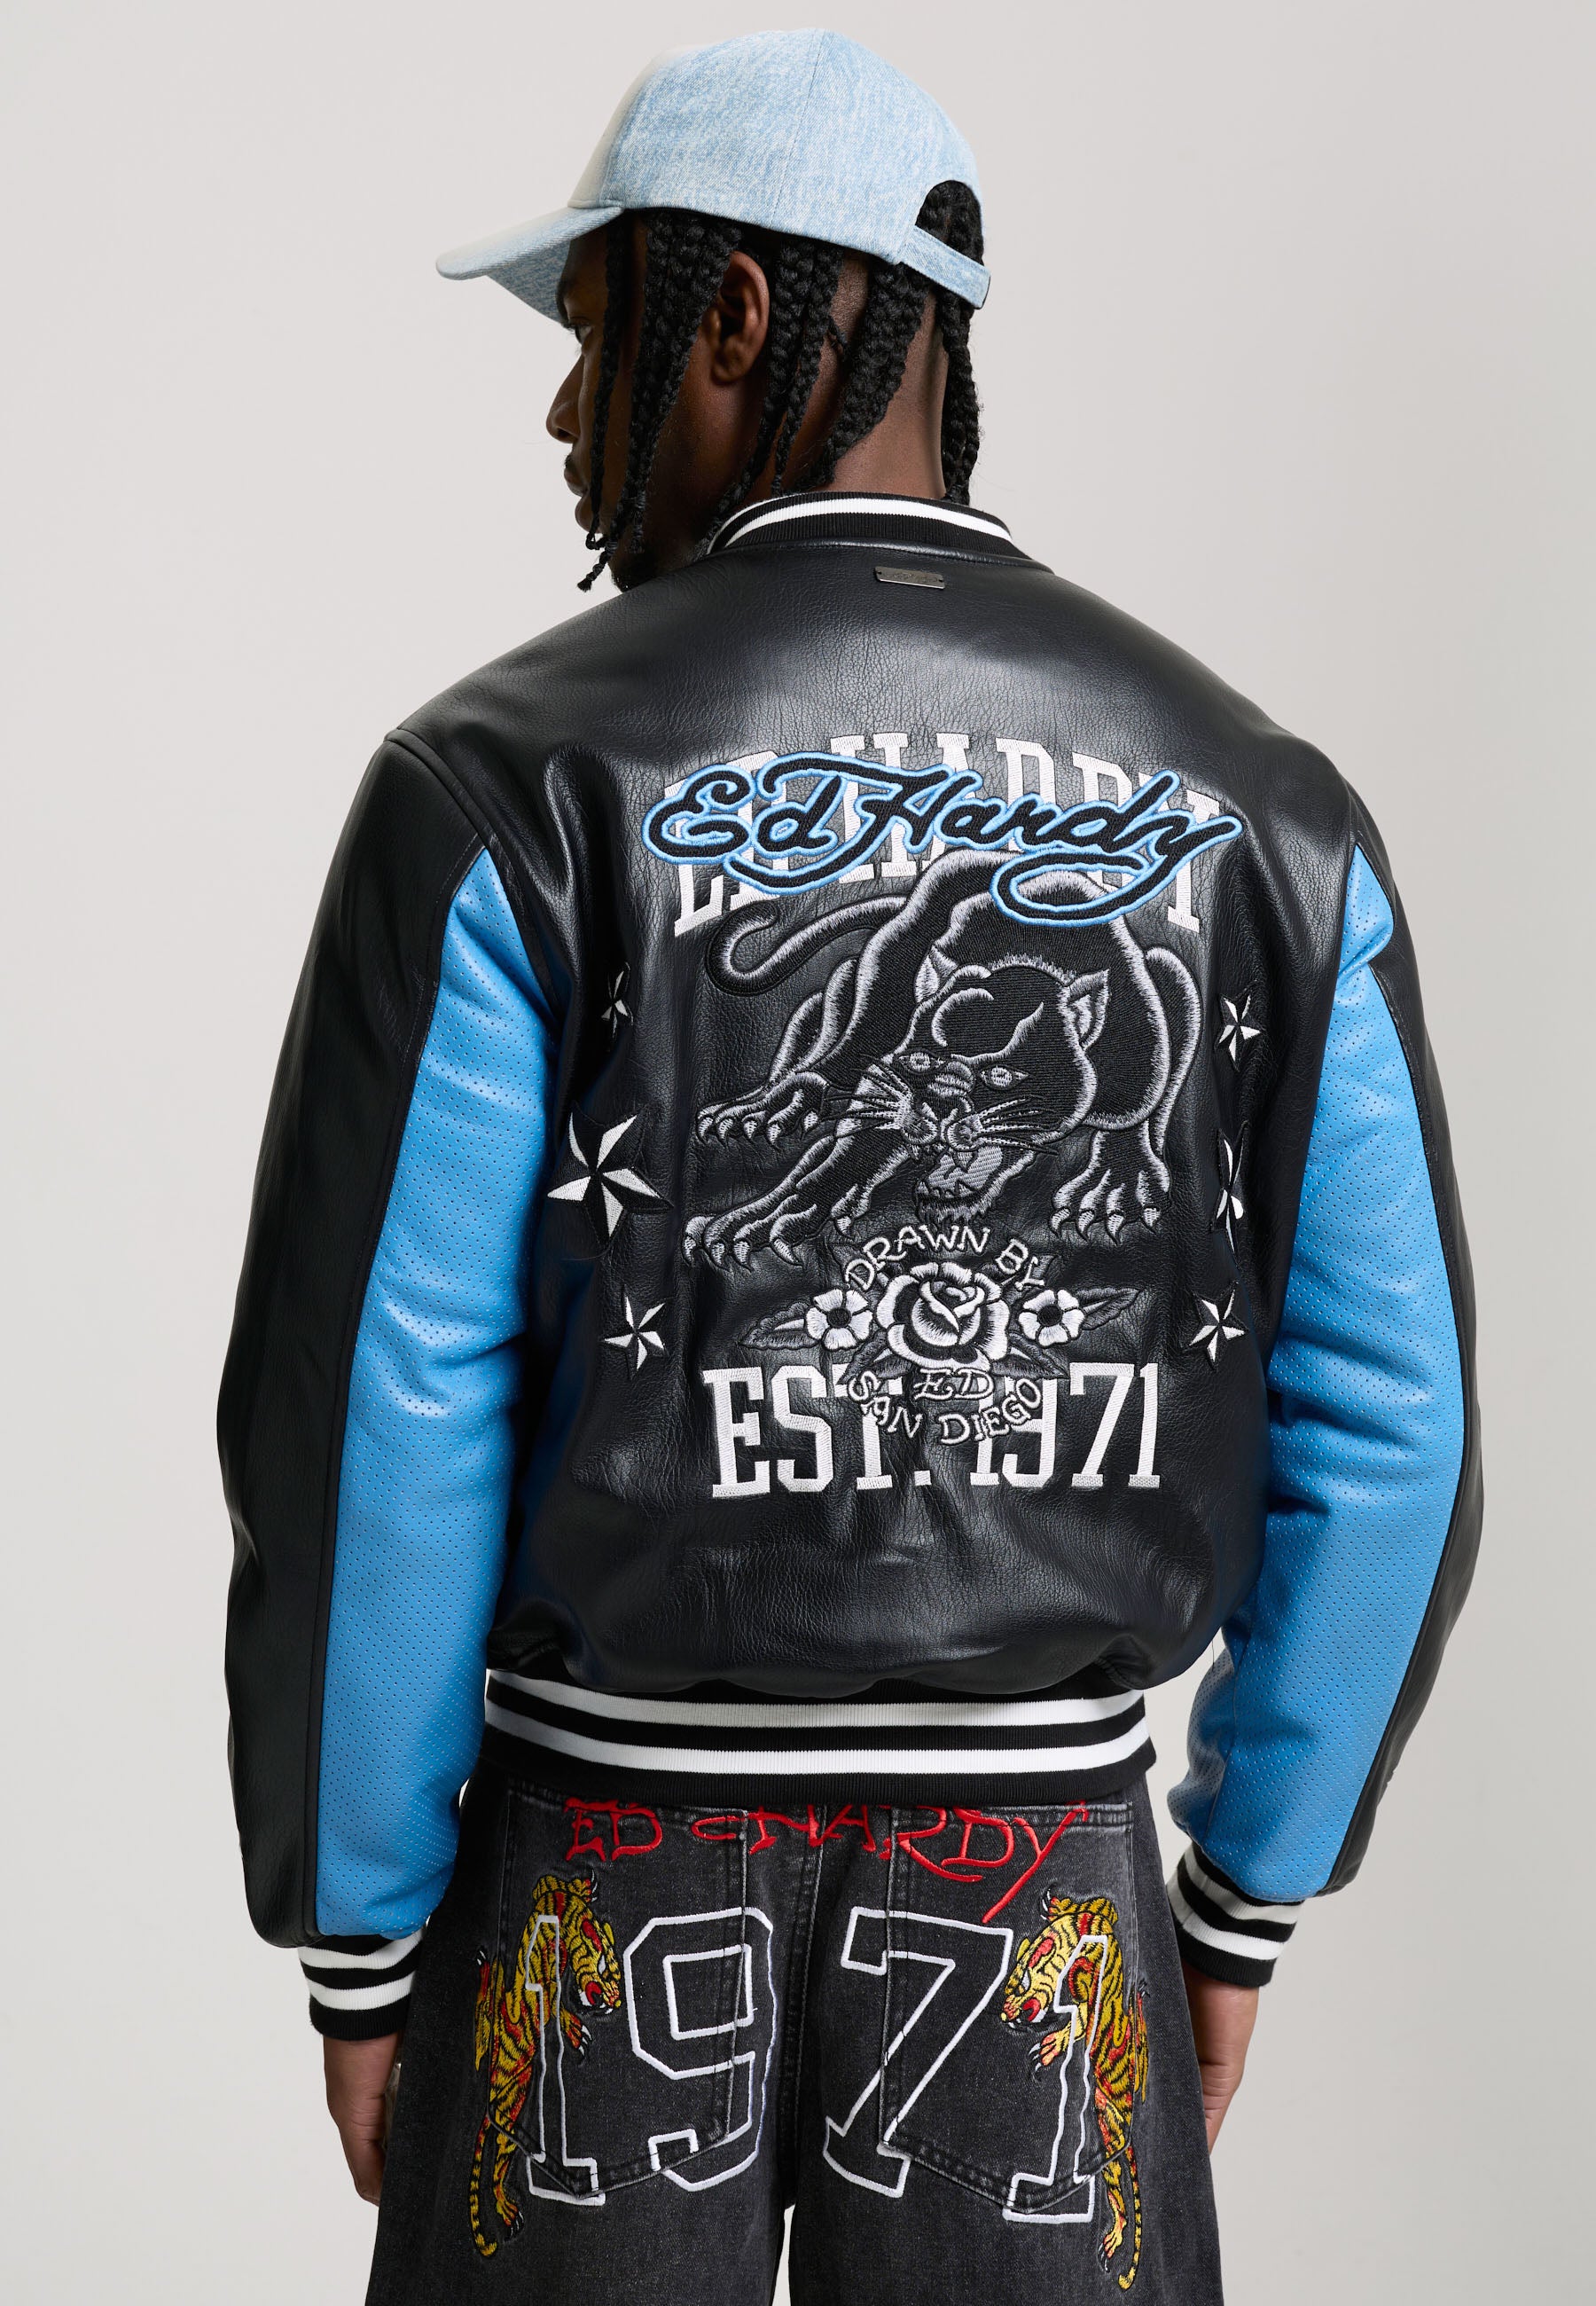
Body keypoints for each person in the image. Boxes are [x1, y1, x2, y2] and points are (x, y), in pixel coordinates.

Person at [219, 30, 1480, 2304]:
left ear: (733, 320)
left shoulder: (502, 781)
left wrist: (364, 1933)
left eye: (595, 329)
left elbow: (376, 1410)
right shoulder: (1271, 808)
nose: (562, 413)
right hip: (1041, 1878)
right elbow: (1396, 1425)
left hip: (604, 1871)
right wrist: (1242, 1893)